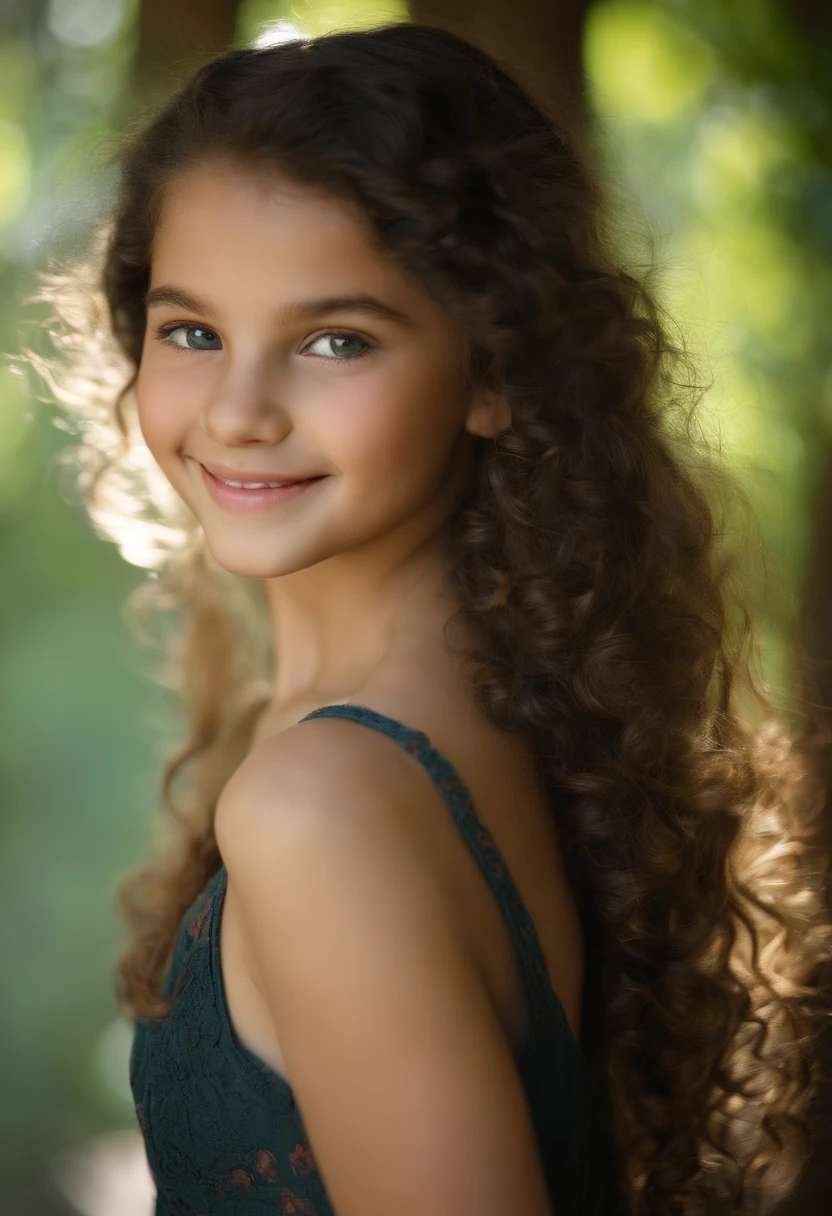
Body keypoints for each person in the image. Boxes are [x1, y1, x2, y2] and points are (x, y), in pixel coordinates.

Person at [22, 20, 832, 1216]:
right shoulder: (486, 721)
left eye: (334, 340)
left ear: (496, 374)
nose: (239, 410)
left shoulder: (324, 803)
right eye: (192, 331)